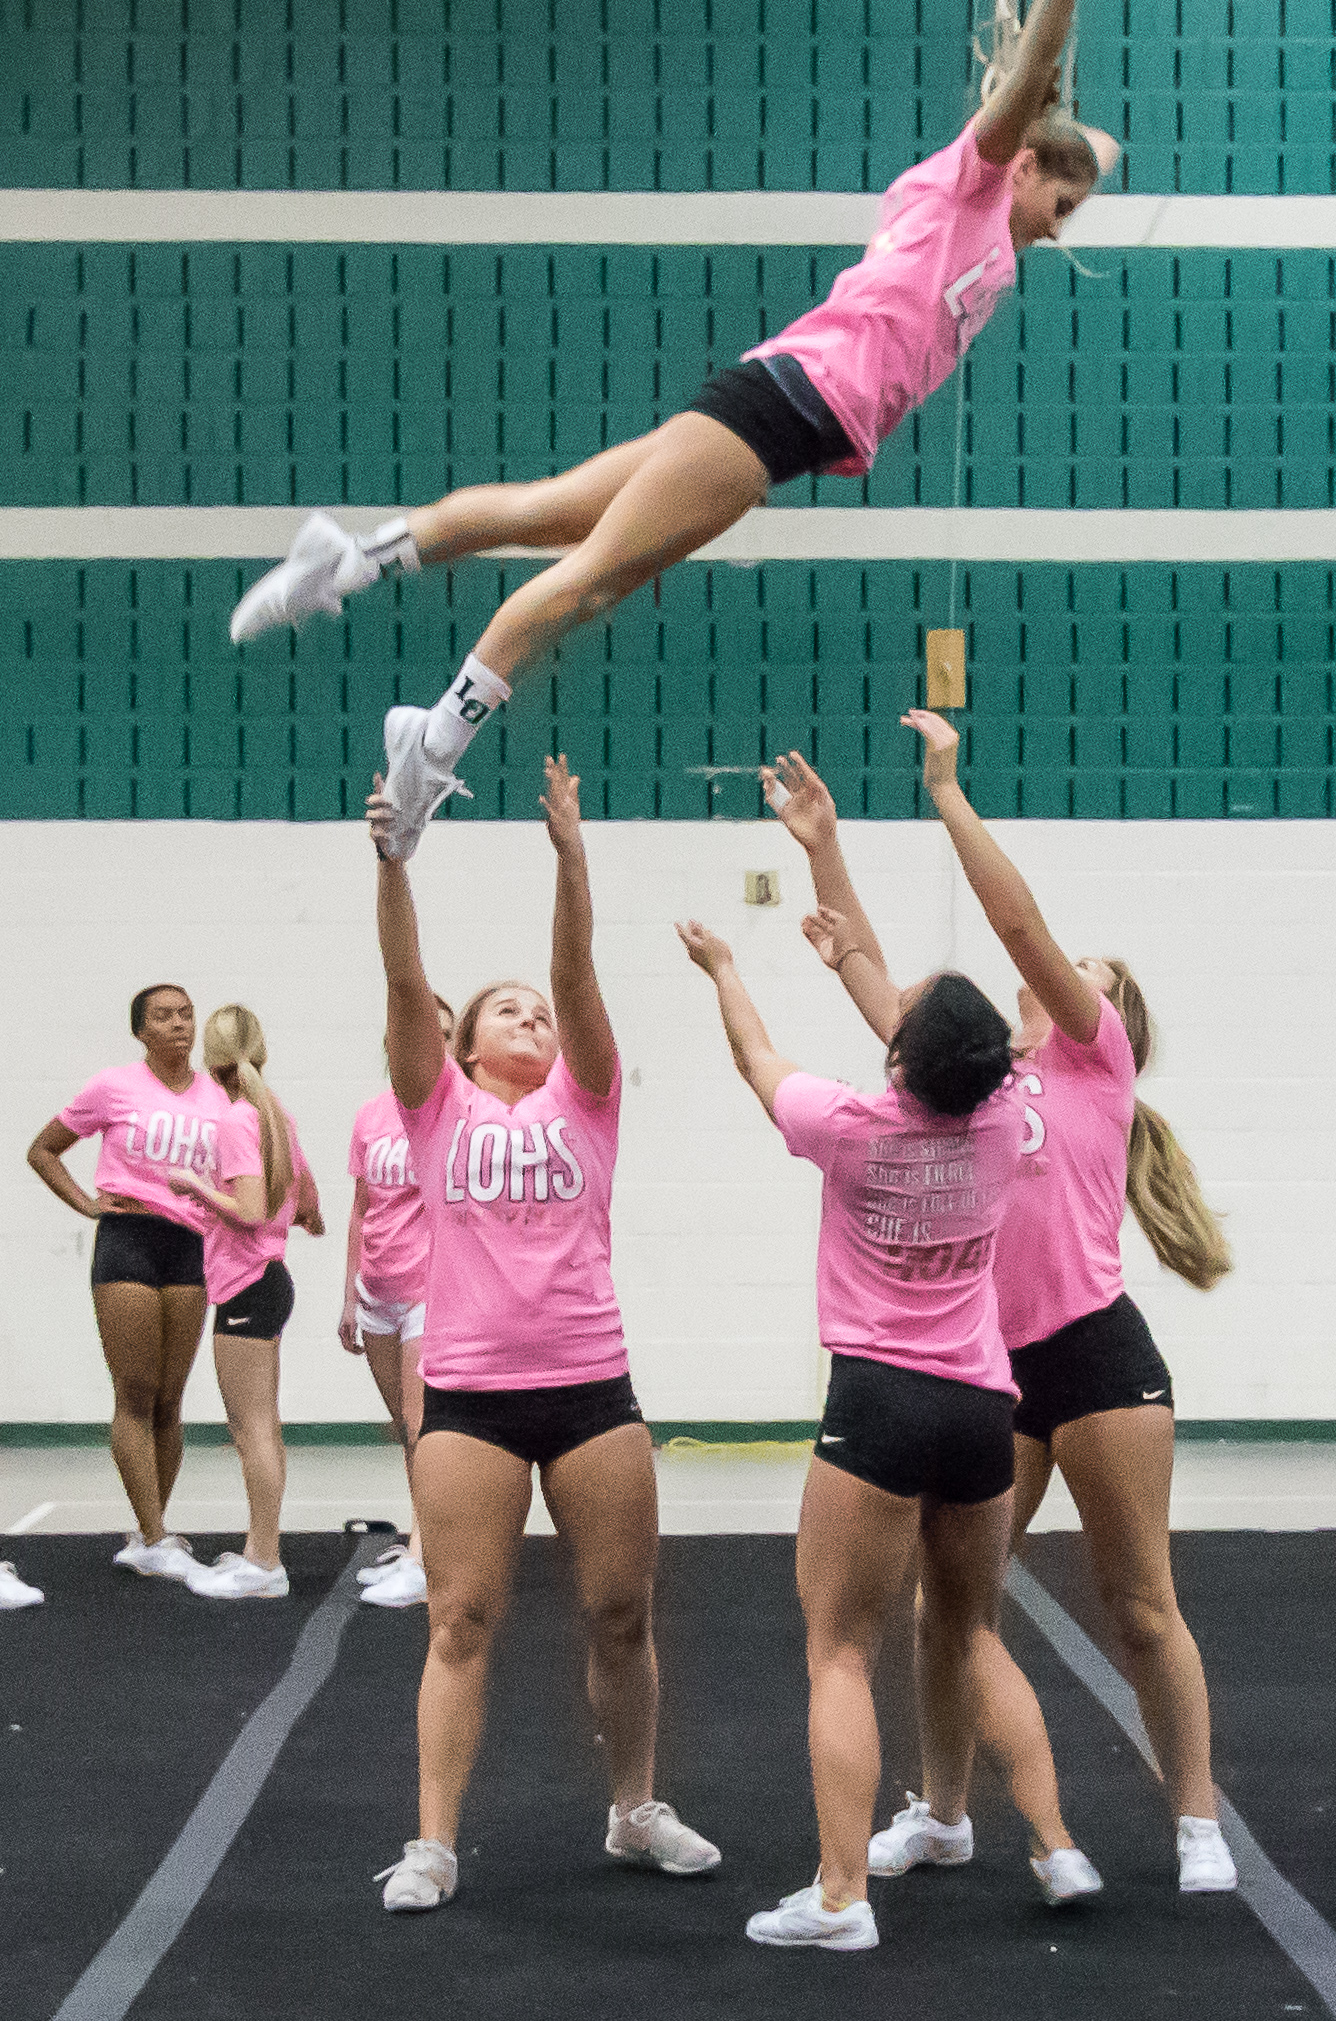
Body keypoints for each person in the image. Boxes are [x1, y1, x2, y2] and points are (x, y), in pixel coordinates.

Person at [228, 0, 1116, 862]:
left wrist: (1077, 133)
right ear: (1020, 162)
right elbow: (1033, 74)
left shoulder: (1000, 220)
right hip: (782, 409)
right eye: (1060, 202)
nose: (1058, 227)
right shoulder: (966, 186)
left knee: (545, 512)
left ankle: (350, 558)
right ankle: (431, 741)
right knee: (589, 581)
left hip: (777, 409)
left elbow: (1089, 136)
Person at [787, 721, 1238, 1897]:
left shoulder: (1093, 1067)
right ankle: (942, 1813)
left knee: (1139, 1601)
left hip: (1094, 1357)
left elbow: (1019, 927)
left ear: (1105, 1018)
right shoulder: (967, 1086)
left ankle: (1195, 1817)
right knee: (948, 1606)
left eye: (1075, 978)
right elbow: (869, 968)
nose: (1049, 978)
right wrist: (826, 850)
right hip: (987, 1373)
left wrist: (947, 792)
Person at [369, 754, 719, 1914]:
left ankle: (633, 1807)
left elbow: (575, 975)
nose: (529, 1013)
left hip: (589, 1385)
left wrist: (572, 860)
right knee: (460, 1615)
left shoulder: (588, 1095)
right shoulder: (434, 1105)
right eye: (502, 1008)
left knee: (622, 1609)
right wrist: (394, 860)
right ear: (464, 1047)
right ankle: (432, 1841)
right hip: (467, 1391)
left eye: (537, 1009)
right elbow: (402, 974)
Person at [677, 902, 1026, 1953]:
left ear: (898, 1058)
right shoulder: (1007, 1119)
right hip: (980, 1405)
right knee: (964, 1630)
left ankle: (839, 1894)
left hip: (878, 1396)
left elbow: (753, 1052)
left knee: (839, 1650)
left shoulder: (848, 1124)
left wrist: (724, 966)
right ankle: (951, 1821)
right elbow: (938, 1041)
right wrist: (860, 964)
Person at [27, 984, 226, 1578]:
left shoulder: (218, 1094)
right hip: (129, 1242)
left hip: (190, 1246)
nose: (178, 1025)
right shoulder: (113, 1086)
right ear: (141, 1031)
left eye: (186, 1014)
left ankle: (149, 1534)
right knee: (135, 1394)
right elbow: (43, 1150)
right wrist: (87, 1205)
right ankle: (158, 1535)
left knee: (171, 1398)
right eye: (163, 1017)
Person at [165, 1005, 324, 1600]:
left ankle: (264, 1563)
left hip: (247, 1285)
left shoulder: (237, 1120)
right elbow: (309, 1199)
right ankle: (262, 1548)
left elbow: (252, 1210)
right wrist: (305, 1216)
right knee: (264, 1425)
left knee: (250, 1428)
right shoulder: (274, 1115)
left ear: (211, 1059)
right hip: (267, 1280)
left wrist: (195, 1188)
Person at [340, 994, 455, 1610]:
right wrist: (348, 1296)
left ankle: (425, 1556)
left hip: (428, 1290)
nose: (427, 1042)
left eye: (442, 1033)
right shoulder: (370, 1115)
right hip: (377, 1290)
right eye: (418, 1031)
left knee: (423, 1428)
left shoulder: (451, 1112)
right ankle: (424, 1537)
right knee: (405, 1430)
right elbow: (362, 1208)